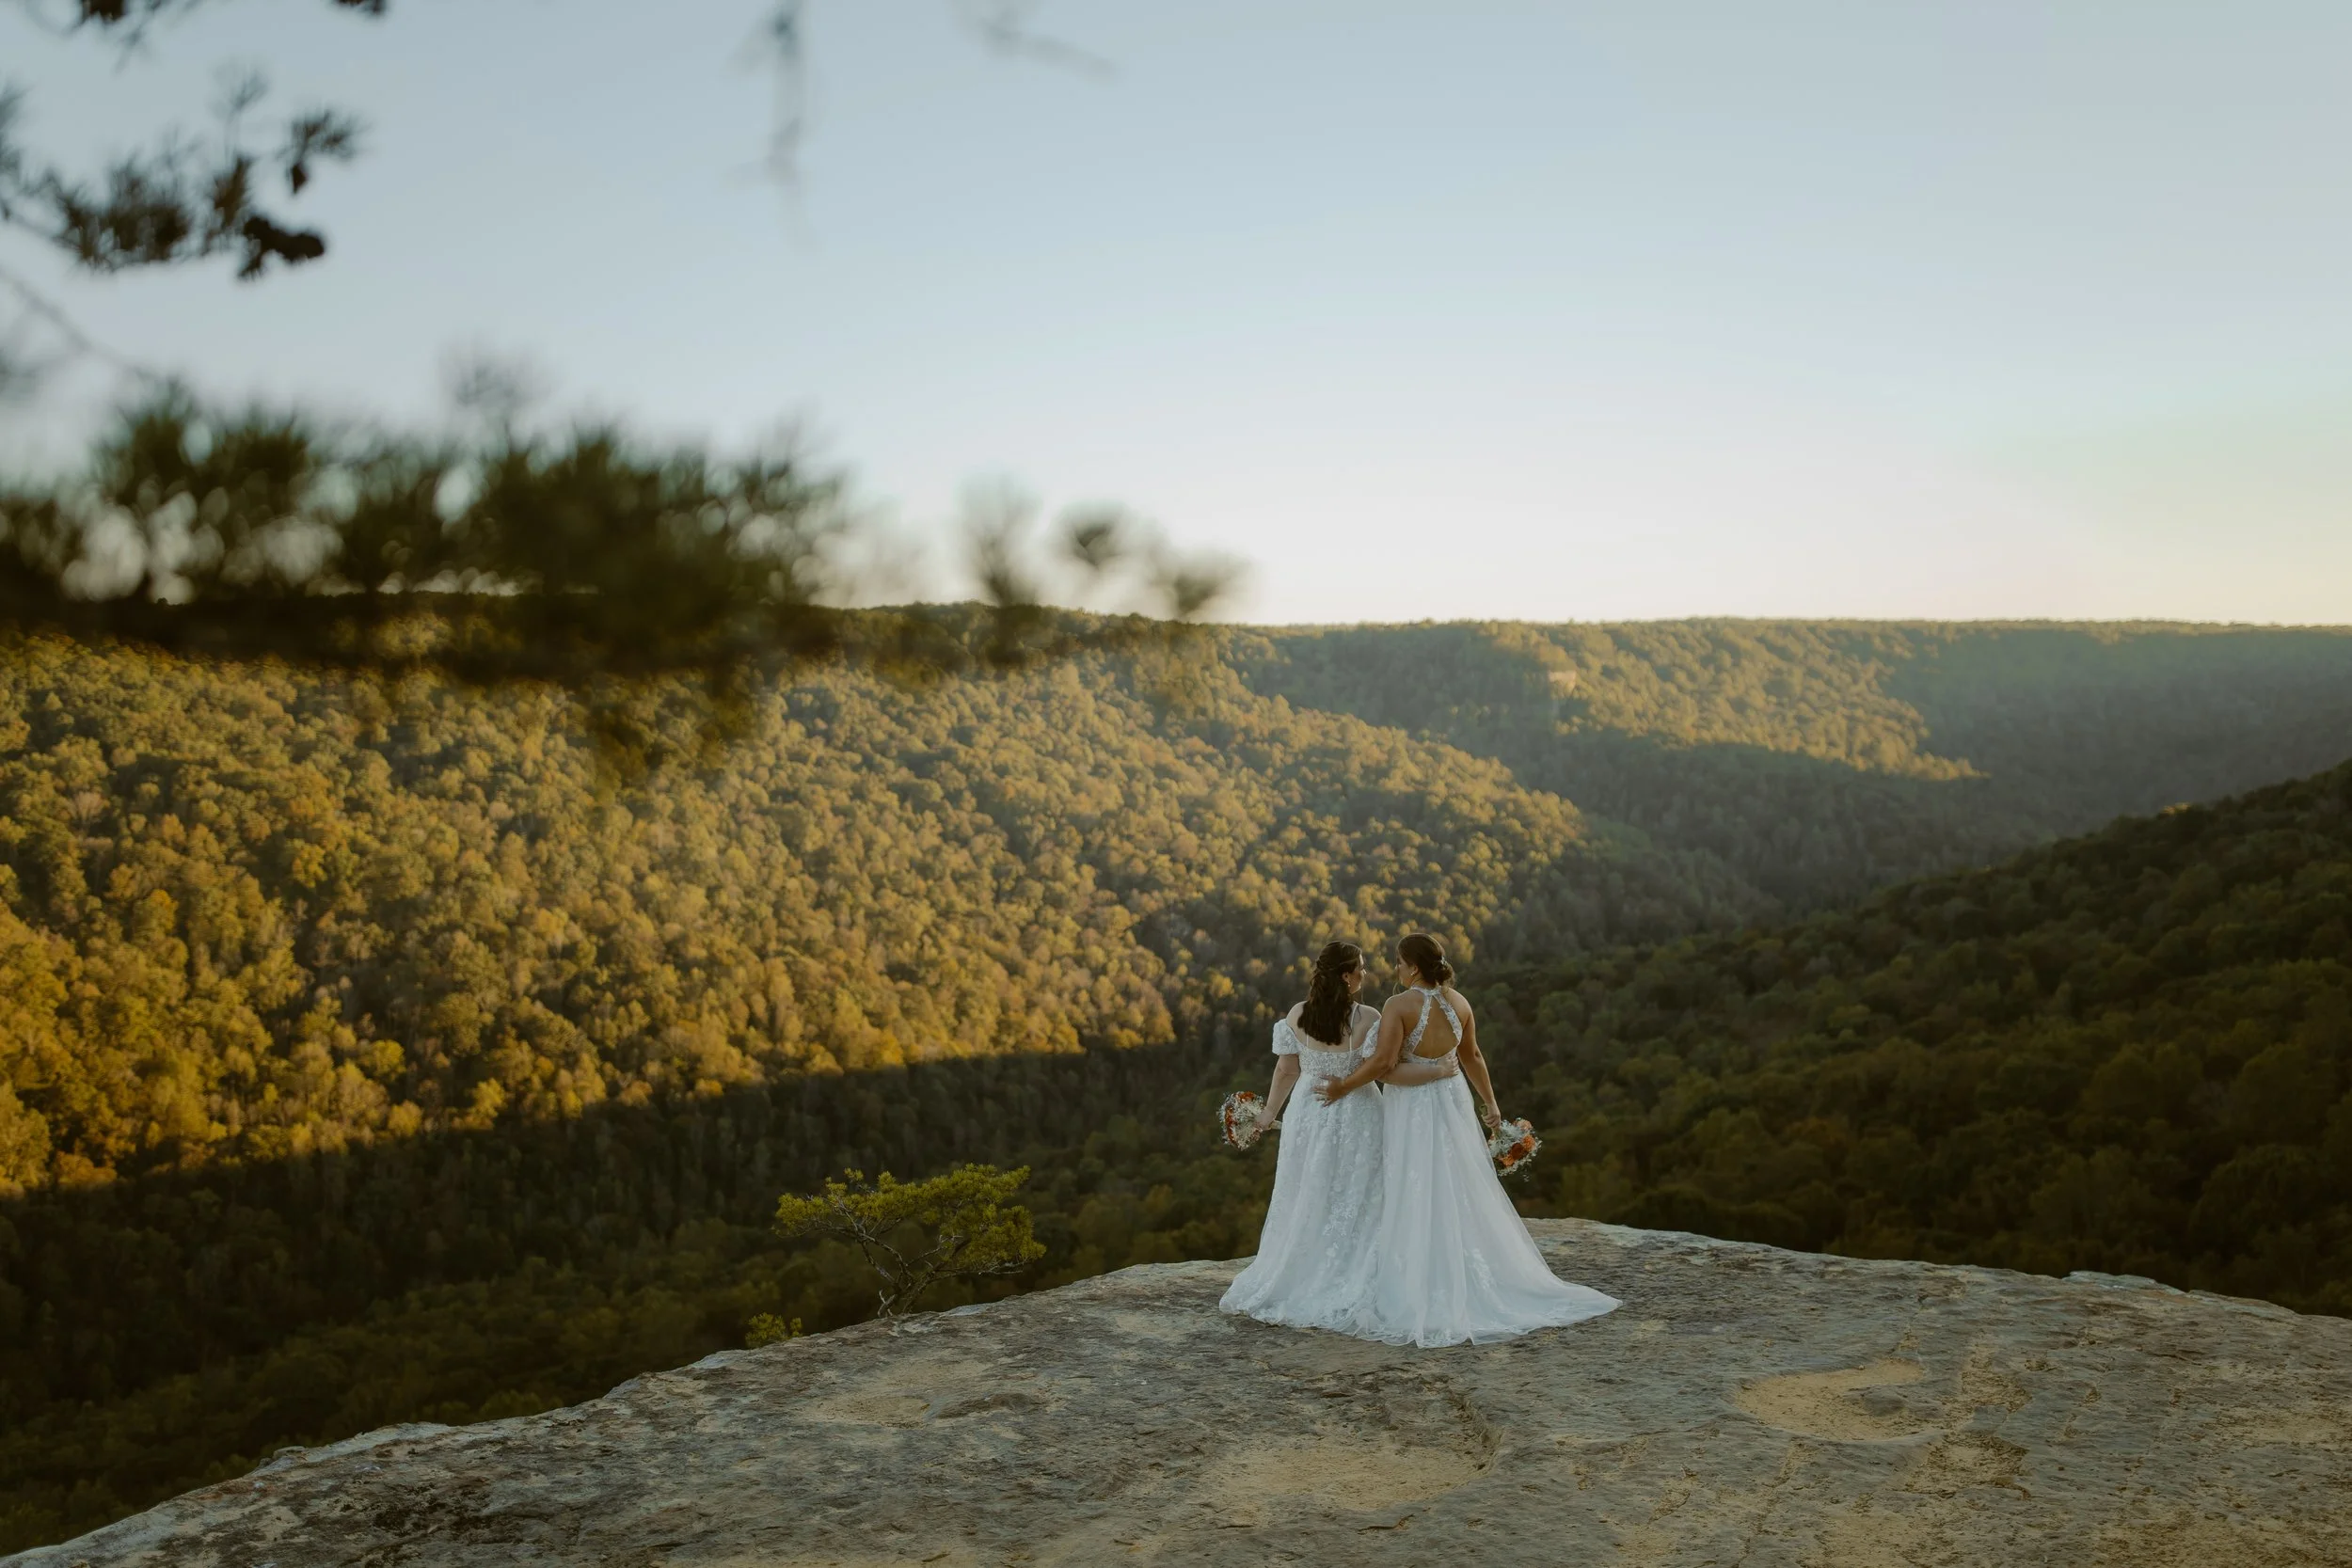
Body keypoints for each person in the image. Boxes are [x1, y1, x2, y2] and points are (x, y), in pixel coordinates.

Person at [1315, 931, 1619, 1346]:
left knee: (1414, 1180)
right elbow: (1472, 1056)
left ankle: (1420, 1277)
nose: (1396, 969)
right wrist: (1491, 1104)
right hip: (1453, 1098)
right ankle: (1461, 1265)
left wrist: (1343, 1086)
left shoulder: (1398, 1005)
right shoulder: (1459, 1002)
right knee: (1458, 1178)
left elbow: (1384, 1063)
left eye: (1400, 962)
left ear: (1414, 967)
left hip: (1413, 1105)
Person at [1219, 941, 1458, 1331]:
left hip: (1308, 1112)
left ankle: (1306, 1268)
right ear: (1346, 976)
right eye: (1360, 967)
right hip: (1358, 1110)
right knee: (1362, 1193)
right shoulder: (1368, 1018)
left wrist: (1268, 1115)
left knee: (1309, 1189)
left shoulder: (1298, 1014)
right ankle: (1364, 1271)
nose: (1366, 973)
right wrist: (1436, 1071)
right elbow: (1382, 1068)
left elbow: (1286, 1071)